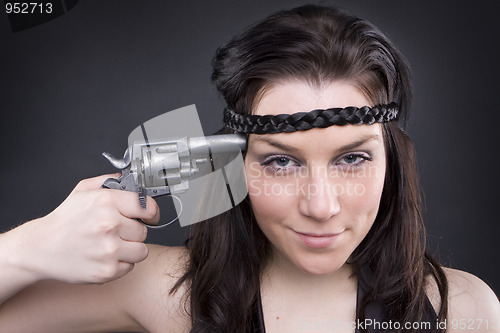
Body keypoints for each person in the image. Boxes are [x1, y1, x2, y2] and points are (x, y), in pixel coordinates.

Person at [0, 4, 498, 333]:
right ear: (232, 161)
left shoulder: (468, 310)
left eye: (353, 158)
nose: (321, 207)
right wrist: (26, 249)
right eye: (281, 161)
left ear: (393, 161)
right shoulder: (157, 288)